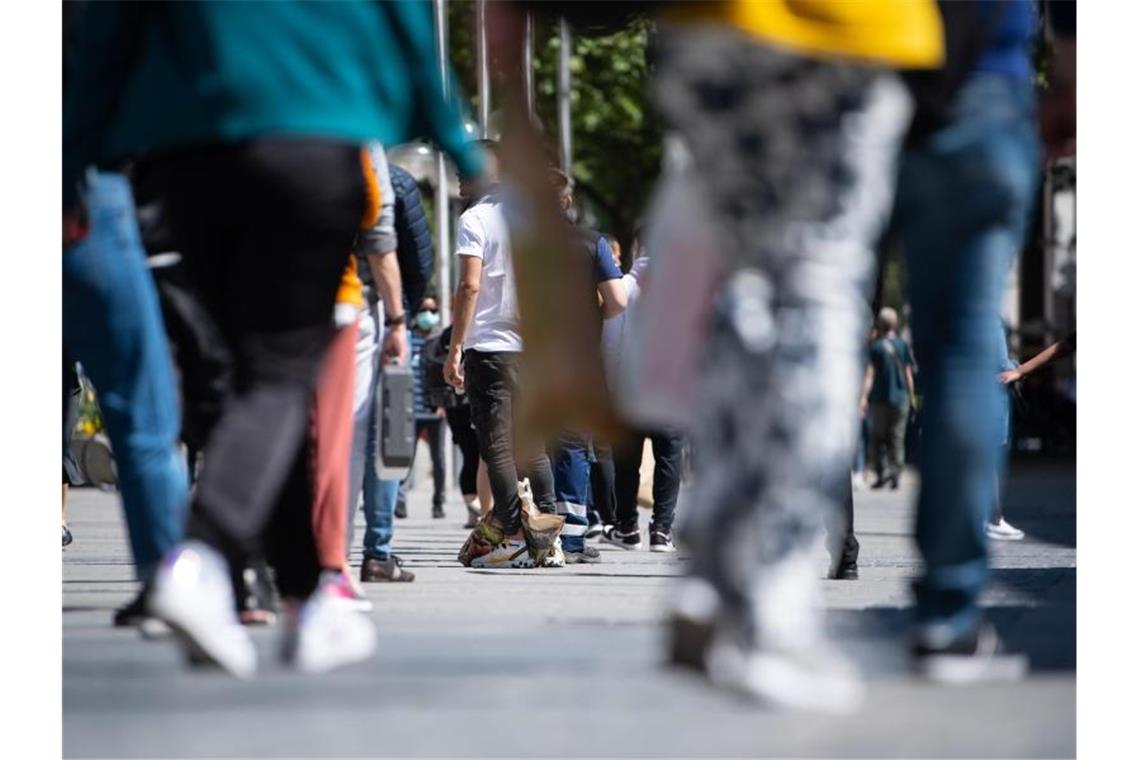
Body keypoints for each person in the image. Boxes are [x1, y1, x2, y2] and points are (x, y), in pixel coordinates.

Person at [65, 1, 482, 675]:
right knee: (280, 374)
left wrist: (70, 165)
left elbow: (108, 41)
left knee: (244, 380)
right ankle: (200, 559)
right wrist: (460, 145)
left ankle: (306, 602)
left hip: (189, 155)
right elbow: (407, 27)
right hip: (312, 138)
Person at [649, 0, 944, 712]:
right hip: (842, 28)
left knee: (738, 286)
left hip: (705, 28)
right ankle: (774, 601)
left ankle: (712, 556)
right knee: (815, 290)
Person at [895, 0, 1042, 682]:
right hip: (985, 94)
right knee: (962, 352)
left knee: (815, 317)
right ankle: (947, 618)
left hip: (865, 82)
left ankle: (756, 594)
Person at [447, 141, 566, 569]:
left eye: (465, 169)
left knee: (496, 446)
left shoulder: (474, 219)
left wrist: (455, 346)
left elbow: (469, 287)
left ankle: (513, 533)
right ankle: (551, 537)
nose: (459, 177)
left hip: (491, 347)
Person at [348, 143, 425, 585]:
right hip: (366, 308)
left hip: (288, 309)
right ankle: (376, 550)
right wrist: (402, 316)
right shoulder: (387, 173)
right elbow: (408, 254)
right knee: (381, 432)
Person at [548, 170, 628, 564]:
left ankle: (531, 531)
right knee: (573, 445)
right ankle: (573, 541)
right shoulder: (591, 242)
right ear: (566, 202)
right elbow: (617, 301)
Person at [397, 295, 448, 520]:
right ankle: (400, 501)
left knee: (438, 458)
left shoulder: (440, 339)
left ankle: (438, 502)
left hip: (434, 409)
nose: (429, 314)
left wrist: (443, 404)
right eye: (424, 309)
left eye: (433, 309)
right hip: (410, 410)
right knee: (405, 458)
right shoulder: (407, 337)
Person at [860, 307, 917, 490]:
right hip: (900, 399)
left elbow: (869, 374)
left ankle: (880, 472)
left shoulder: (875, 347)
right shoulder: (902, 345)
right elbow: (908, 374)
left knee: (878, 438)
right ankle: (895, 473)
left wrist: (863, 397)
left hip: (879, 400)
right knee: (897, 438)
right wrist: (912, 396)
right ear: (895, 324)